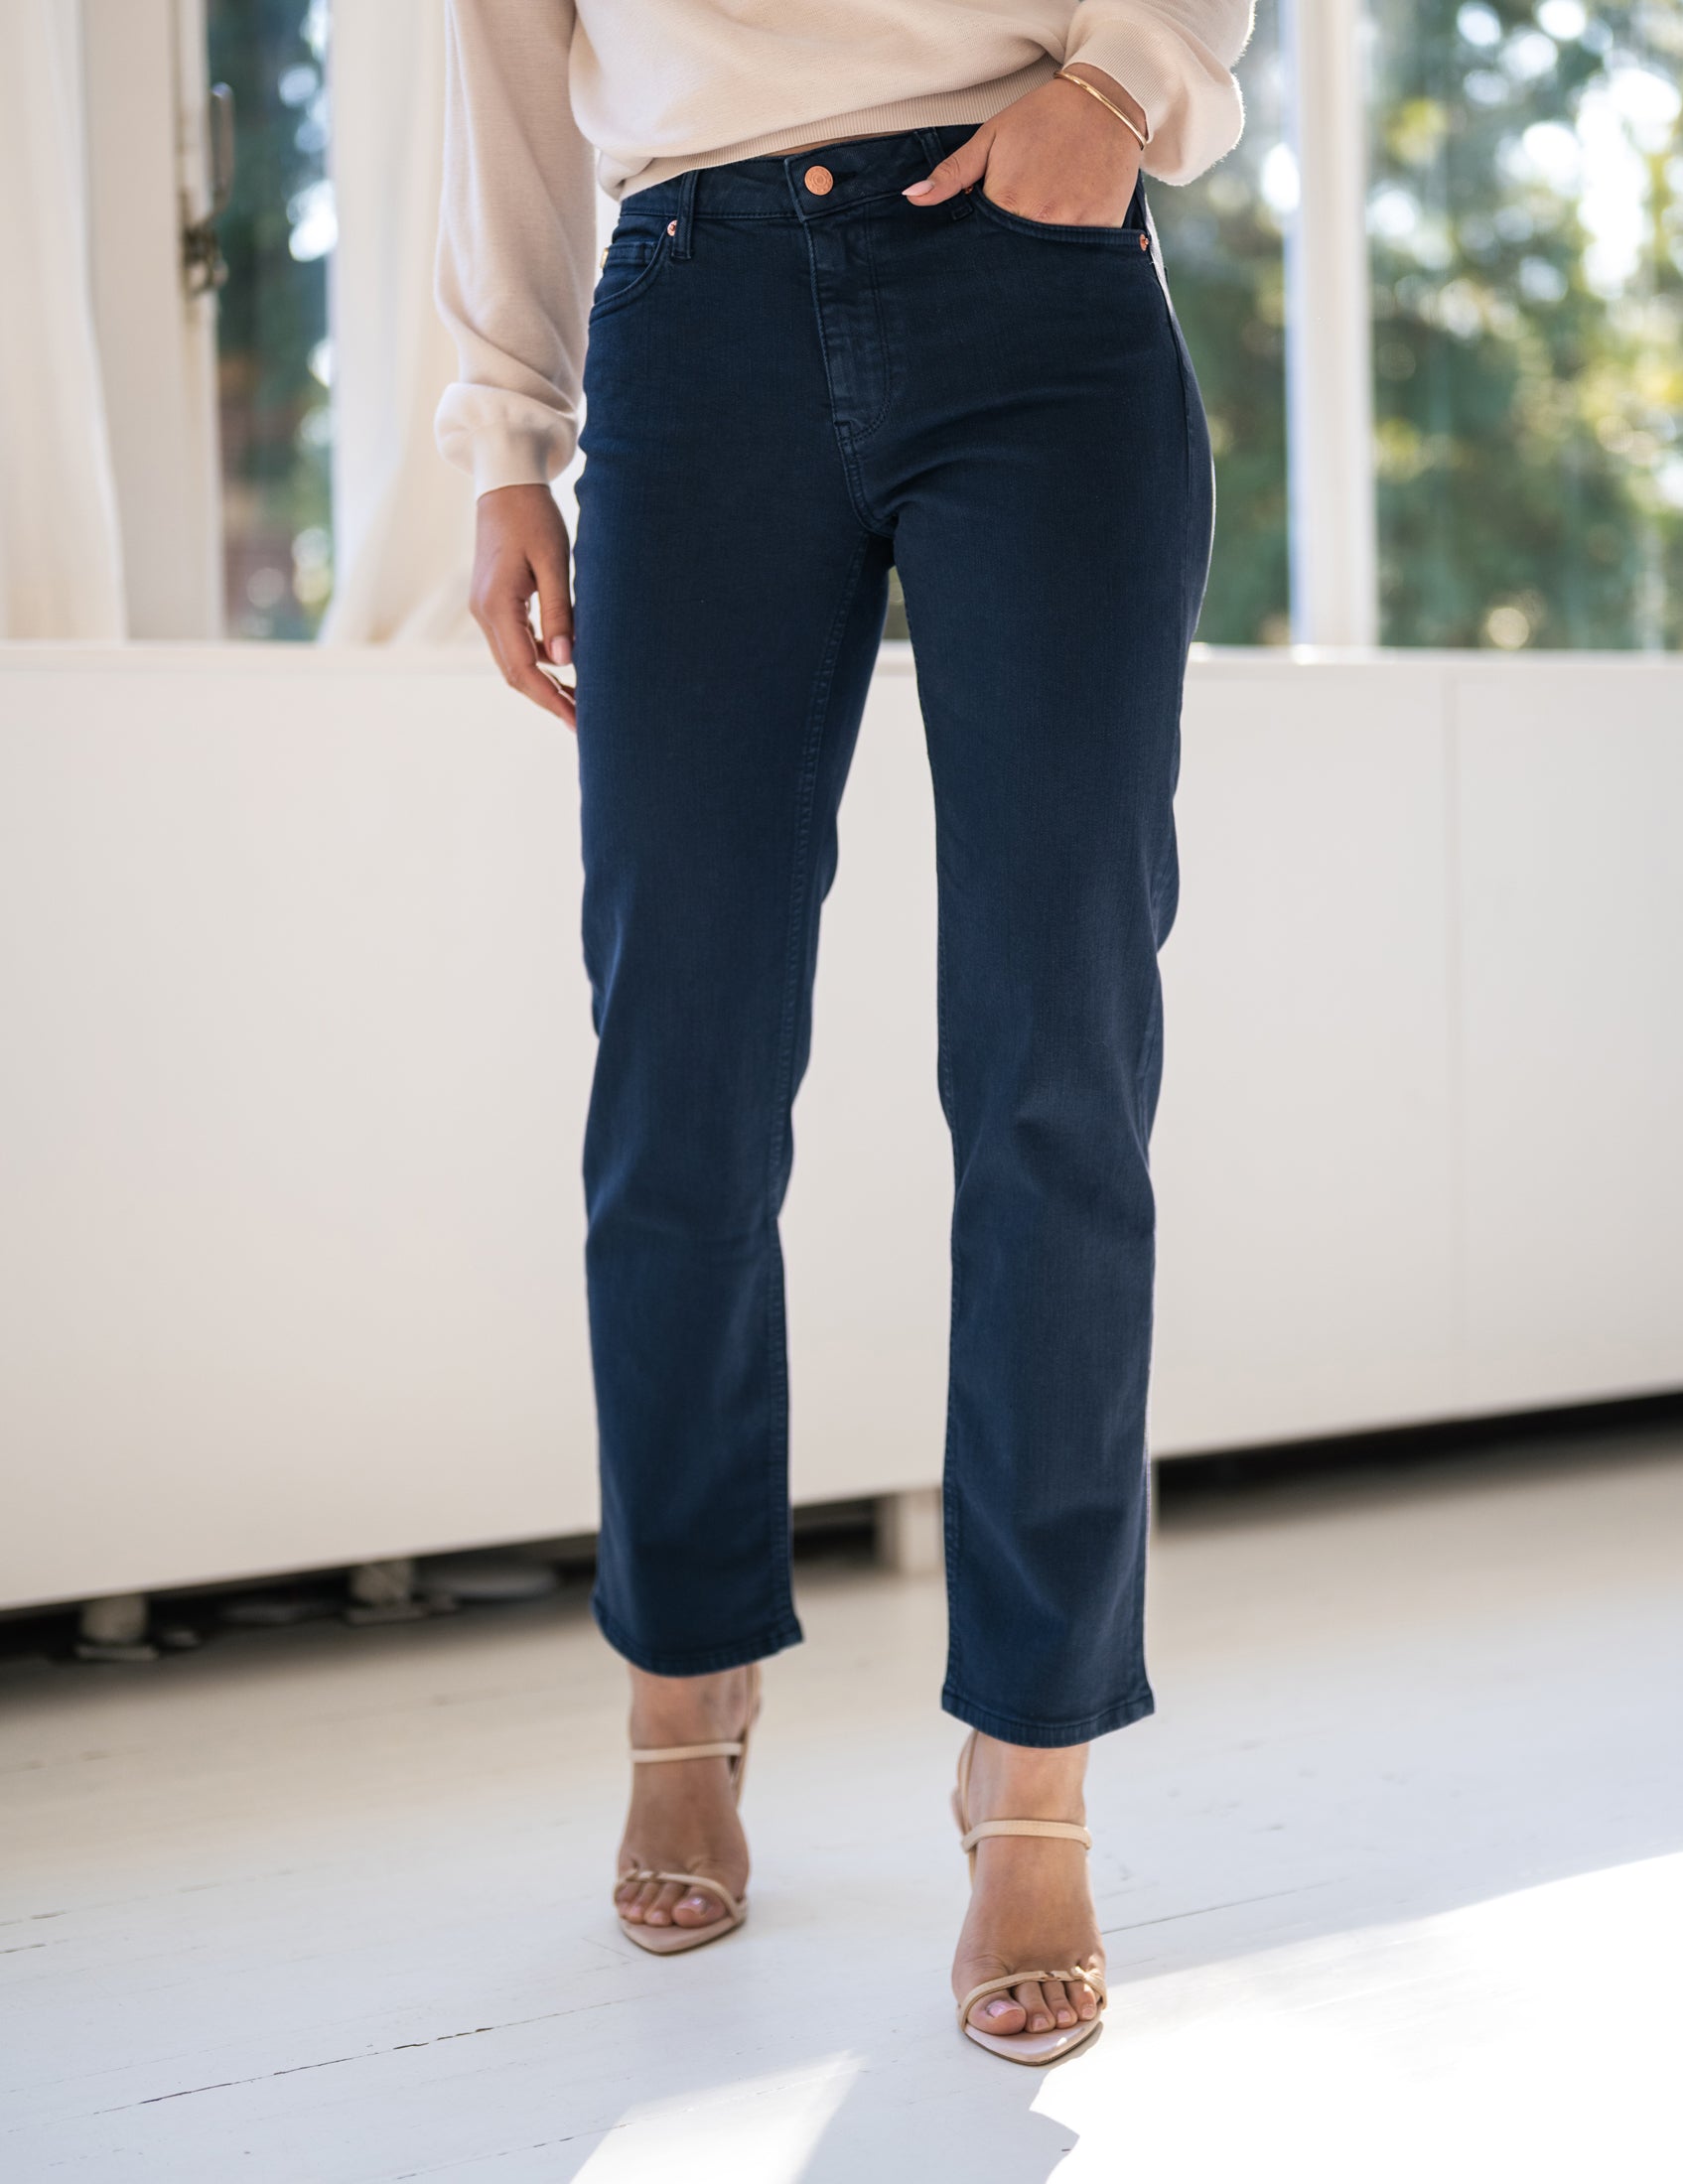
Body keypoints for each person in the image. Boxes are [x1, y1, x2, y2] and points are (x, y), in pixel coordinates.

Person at [437, 0, 1252, 2064]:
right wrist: (505, 433)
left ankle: (1035, 1759)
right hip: (695, 310)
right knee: (679, 1060)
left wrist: (1118, 87)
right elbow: (502, 54)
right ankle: (686, 1675)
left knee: (1060, 1065)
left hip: (1037, 263)